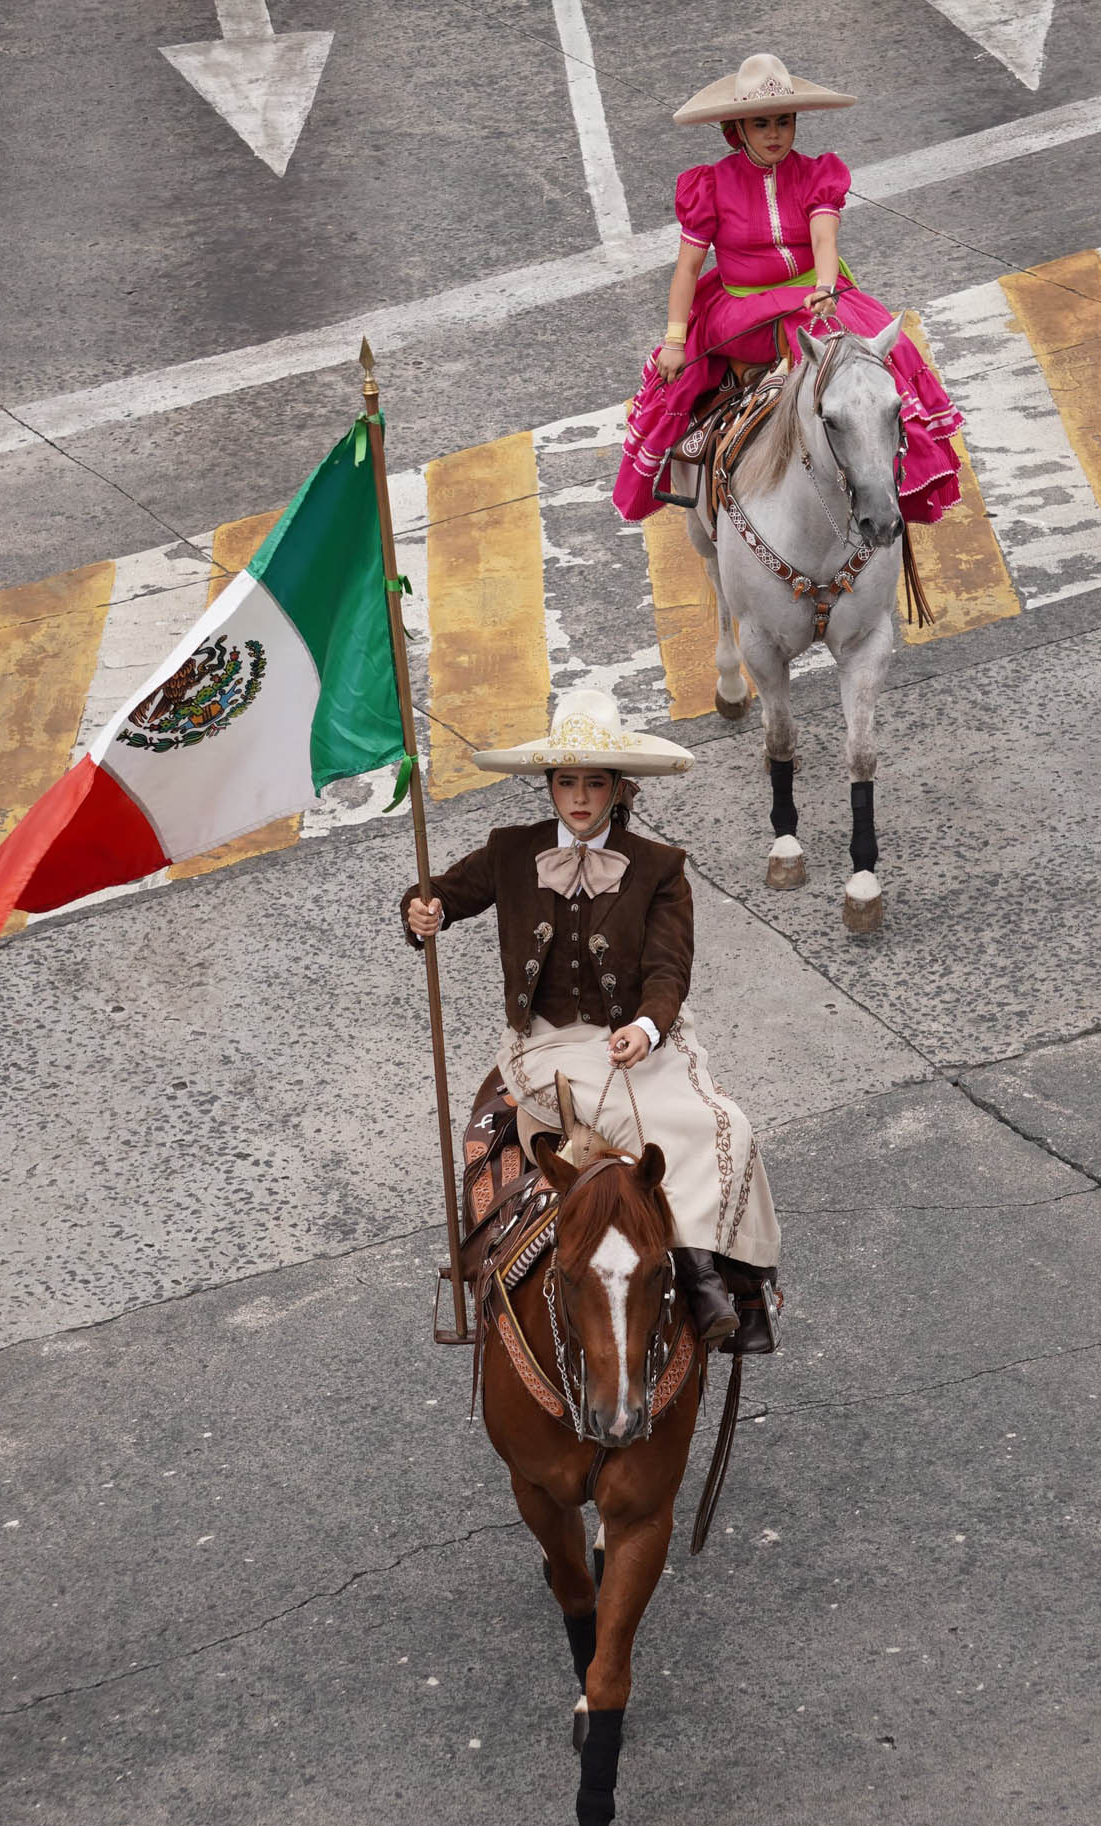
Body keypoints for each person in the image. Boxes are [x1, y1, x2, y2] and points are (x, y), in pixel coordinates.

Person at [401, 687, 780, 1354]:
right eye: (566, 782)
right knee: (635, 1118)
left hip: (640, 1034)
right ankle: (700, 1282)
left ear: (618, 789)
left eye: (594, 784)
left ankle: (737, 1278)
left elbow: (669, 971)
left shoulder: (661, 869)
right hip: (552, 1042)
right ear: (548, 786)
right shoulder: (510, 851)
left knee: (726, 1123)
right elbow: (442, 896)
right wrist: (421, 910)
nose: (579, 797)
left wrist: (649, 1027)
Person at [613, 51, 964, 527]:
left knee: (885, 347)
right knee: (811, 339)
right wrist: (676, 341)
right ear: (737, 129)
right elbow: (686, 271)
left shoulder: (817, 175)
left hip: (813, 299)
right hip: (739, 313)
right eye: (762, 124)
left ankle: (888, 467)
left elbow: (824, 236)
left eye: (784, 121)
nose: (775, 134)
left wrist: (823, 286)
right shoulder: (710, 186)